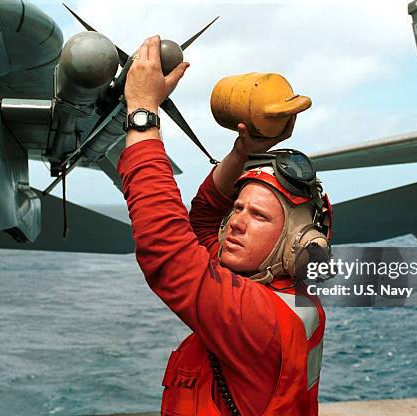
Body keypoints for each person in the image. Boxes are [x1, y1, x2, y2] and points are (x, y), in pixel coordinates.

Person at [117, 35, 331, 416]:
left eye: (259, 216)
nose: (235, 223)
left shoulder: (260, 320)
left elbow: (168, 250)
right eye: (238, 208)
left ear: (295, 243)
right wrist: (241, 154)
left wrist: (143, 112)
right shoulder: (284, 290)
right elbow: (202, 221)